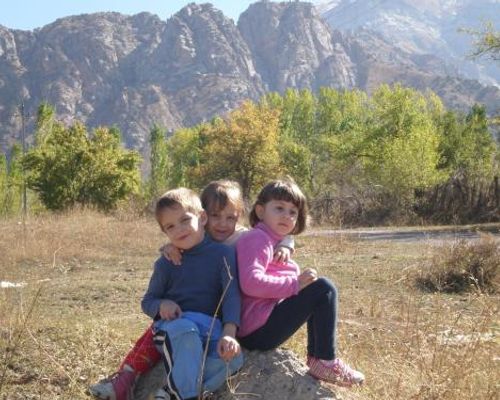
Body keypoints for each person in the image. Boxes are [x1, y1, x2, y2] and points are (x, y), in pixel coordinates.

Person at [89, 180, 293, 400]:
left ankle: (171, 391)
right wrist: (161, 305)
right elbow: (148, 300)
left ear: (200, 218)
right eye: (170, 227)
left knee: (234, 360)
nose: (179, 229)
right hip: (178, 326)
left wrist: (229, 333)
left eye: (185, 220)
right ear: (207, 216)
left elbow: (232, 294)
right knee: (186, 331)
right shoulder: (168, 260)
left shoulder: (227, 251)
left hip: (211, 328)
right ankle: (166, 389)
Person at [236, 179, 365, 387]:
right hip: (256, 330)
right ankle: (324, 360)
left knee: (318, 289)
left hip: (262, 325)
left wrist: (289, 250)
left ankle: (319, 360)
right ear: (260, 211)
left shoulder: (273, 240)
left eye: (293, 212)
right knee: (324, 289)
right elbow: (250, 283)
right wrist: (294, 284)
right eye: (279, 208)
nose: (287, 215)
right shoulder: (257, 239)